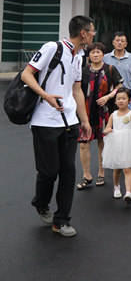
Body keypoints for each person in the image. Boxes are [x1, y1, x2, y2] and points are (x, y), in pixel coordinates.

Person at [21, 15, 93, 237]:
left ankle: (61, 220)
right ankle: (41, 203)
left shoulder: (80, 57)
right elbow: (27, 73)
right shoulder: (52, 48)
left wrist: (85, 120)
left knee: (68, 171)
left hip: (69, 122)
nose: (93, 35)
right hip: (45, 121)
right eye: (92, 31)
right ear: (83, 32)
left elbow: (77, 90)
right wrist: (46, 95)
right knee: (48, 171)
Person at [76, 42, 123, 191]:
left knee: (102, 142)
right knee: (84, 143)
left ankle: (101, 172)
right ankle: (87, 175)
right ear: (88, 55)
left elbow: (120, 86)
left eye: (98, 52)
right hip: (85, 112)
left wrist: (109, 96)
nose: (95, 54)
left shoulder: (110, 69)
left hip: (104, 111)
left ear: (103, 54)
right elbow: (76, 90)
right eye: (92, 52)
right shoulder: (82, 71)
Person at [102, 87, 131, 204]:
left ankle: (128, 193)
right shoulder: (113, 115)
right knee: (117, 169)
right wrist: (107, 130)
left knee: (127, 168)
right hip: (116, 143)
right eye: (118, 99)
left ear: (129, 101)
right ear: (115, 101)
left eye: (123, 98)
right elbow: (107, 127)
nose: (121, 101)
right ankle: (116, 187)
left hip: (128, 143)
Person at [103, 31, 131, 110]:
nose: (119, 43)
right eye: (117, 40)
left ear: (126, 44)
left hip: (127, 96)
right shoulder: (105, 58)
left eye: (122, 41)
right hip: (110, 95)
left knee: (126, 120)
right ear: (113, 43)